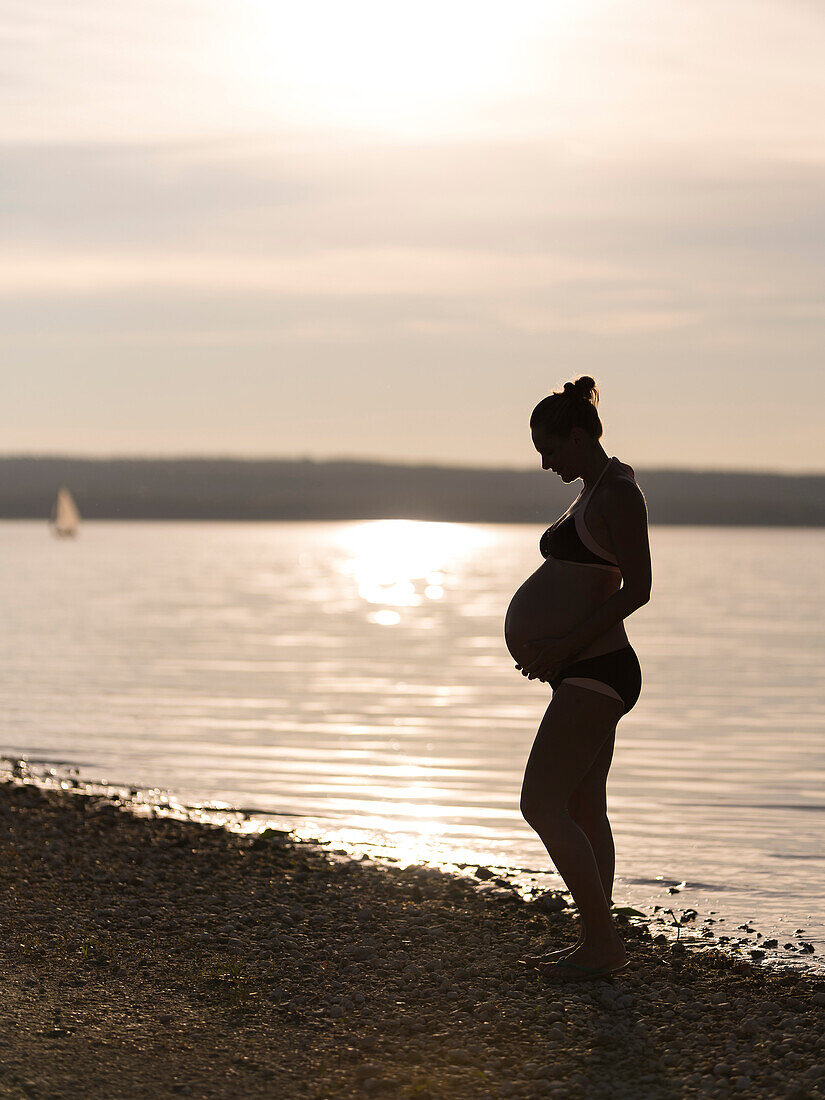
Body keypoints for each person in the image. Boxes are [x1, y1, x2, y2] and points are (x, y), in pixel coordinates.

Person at [514, 376, 652, 981]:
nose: (546, 464)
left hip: (598, 668)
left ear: (578, 435)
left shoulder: (618, 491)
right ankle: (599, 941)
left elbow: (639, 588)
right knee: (582, 803)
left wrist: (563, 645)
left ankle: (602, 942)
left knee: (540, 803)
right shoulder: (593, 488)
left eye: (551, 450)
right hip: (582, 668)